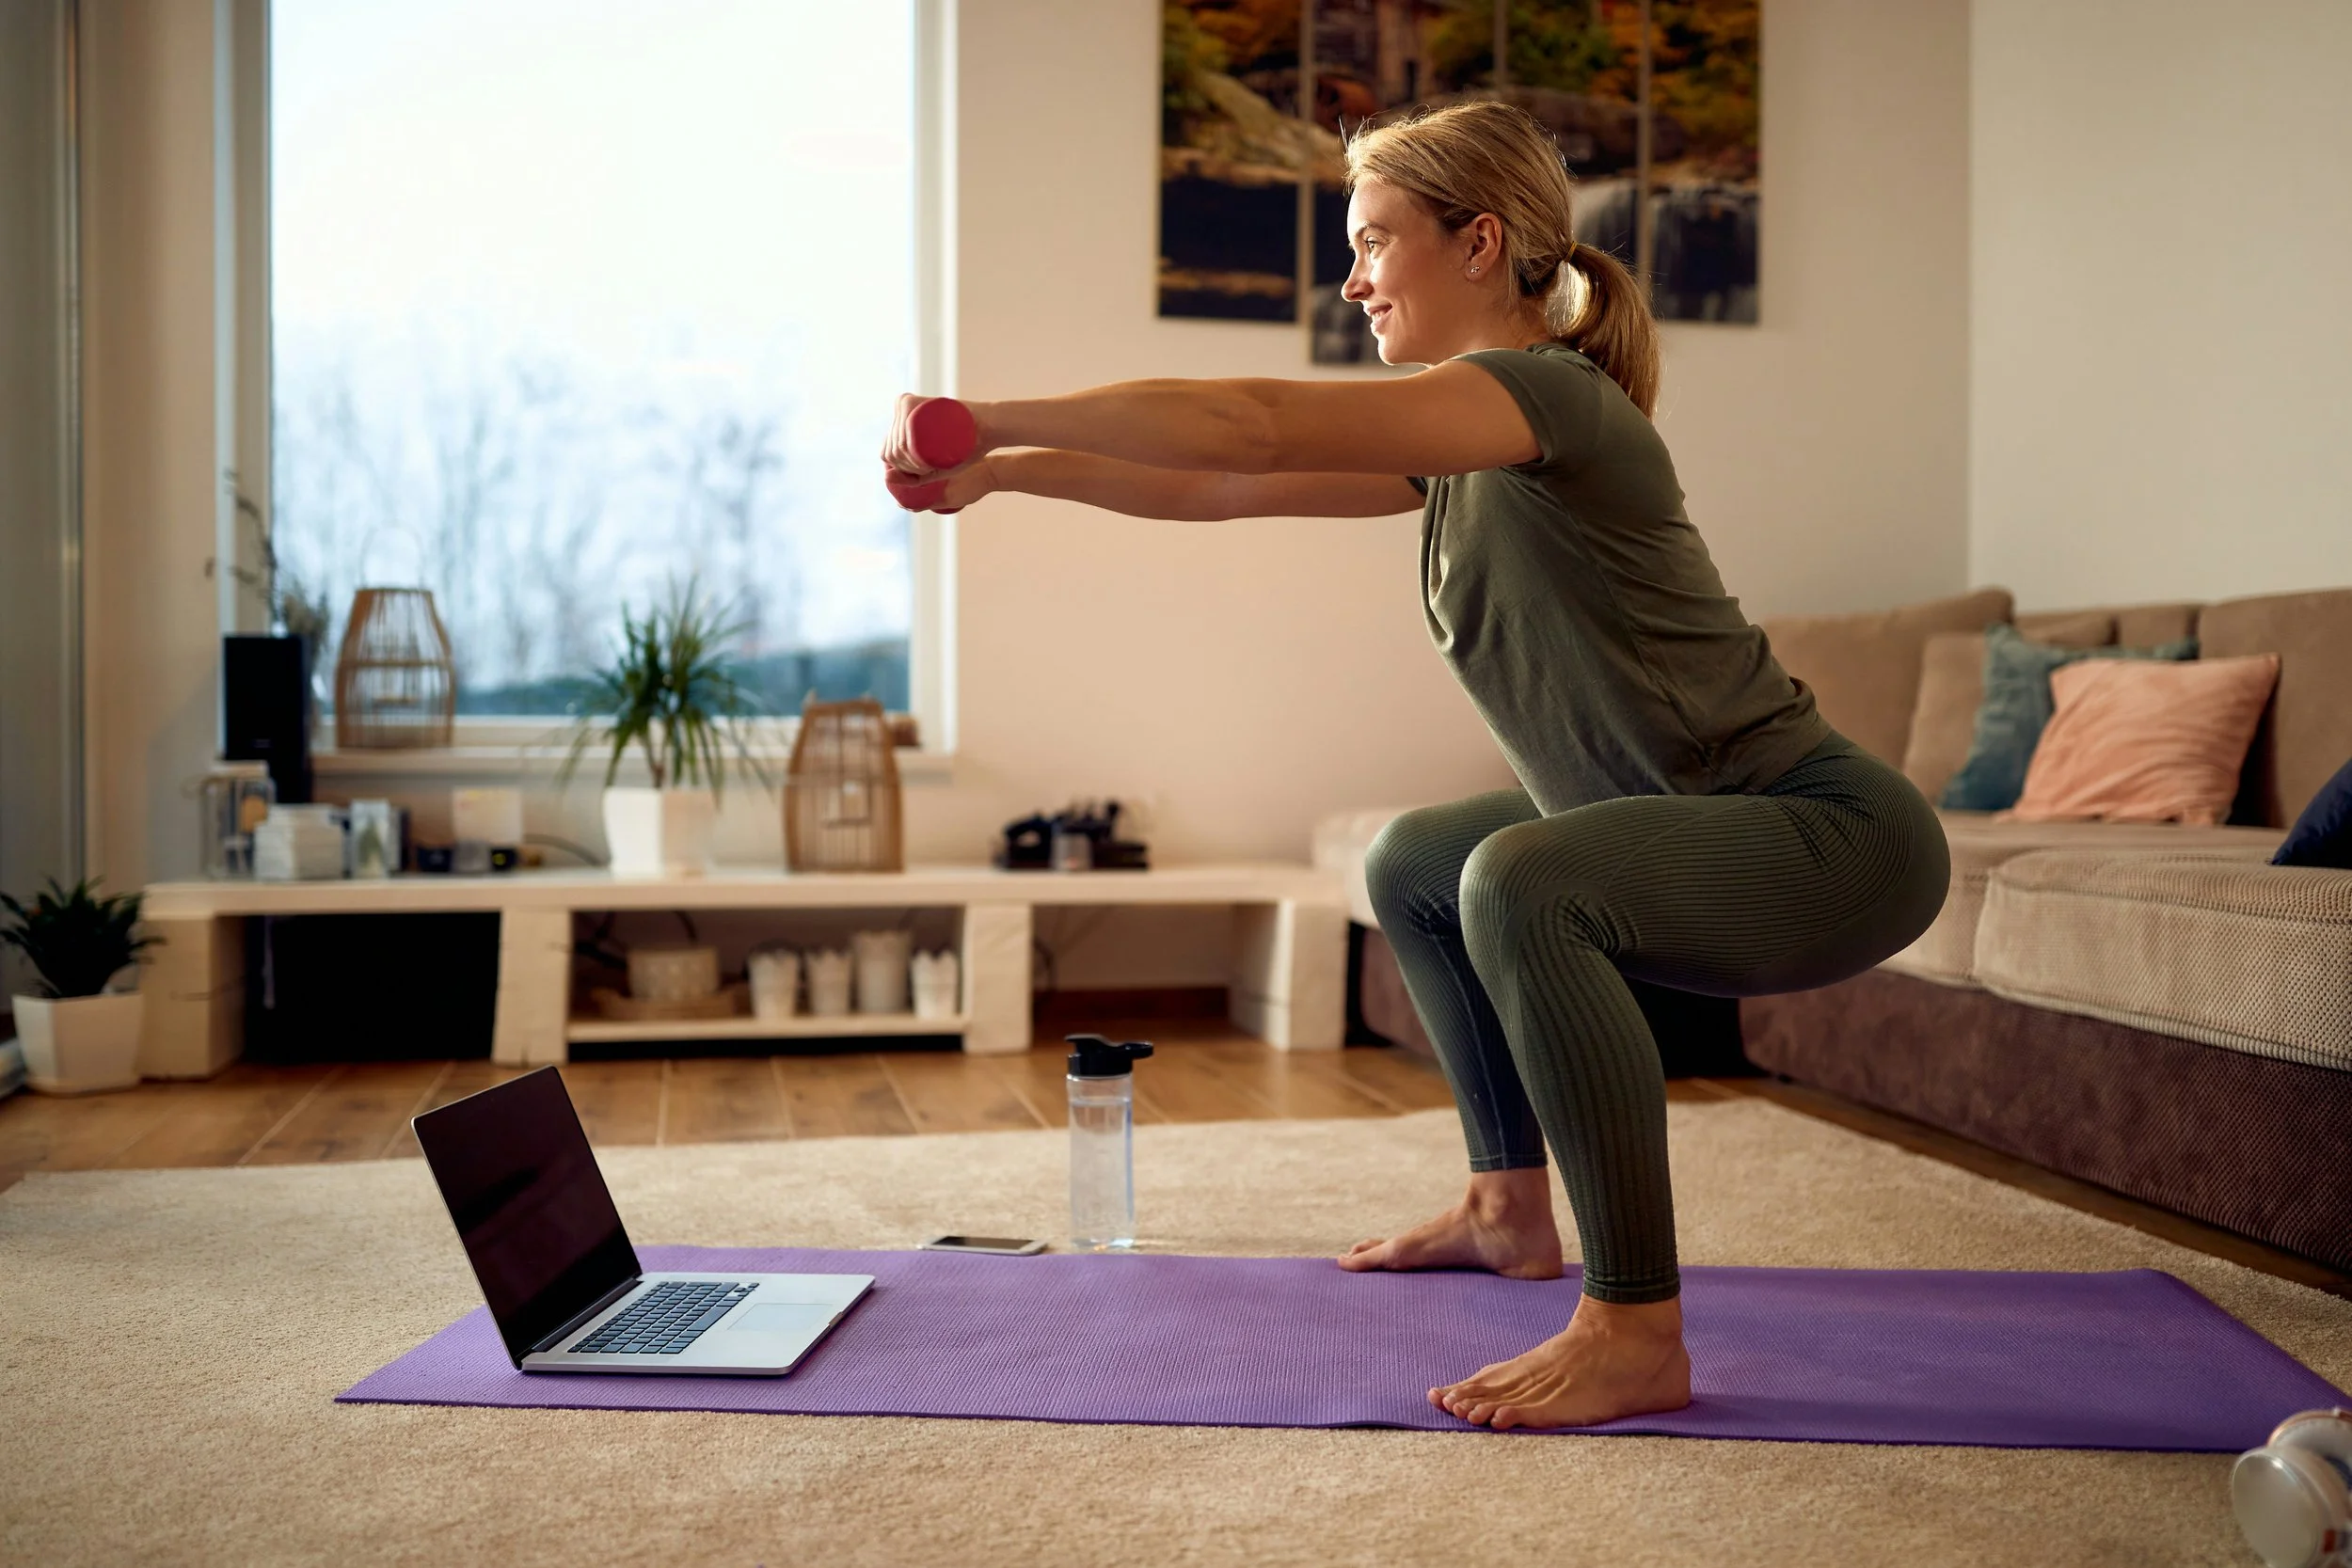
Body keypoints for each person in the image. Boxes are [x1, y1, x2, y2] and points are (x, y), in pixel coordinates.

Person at [881, 101, 1949, 1431]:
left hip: (1827, 838)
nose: (1353, 277)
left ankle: (1636, 1326)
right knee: (1418, 860)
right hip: (1697, 823)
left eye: (1375, 241)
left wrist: (985, 411)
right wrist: (1006, 471)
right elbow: (1220, 486)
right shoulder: (1455, 458)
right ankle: (1508, 1206)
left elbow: (1254, 424)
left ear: (1481, 243)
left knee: (1521, 879)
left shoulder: (1552, 395)